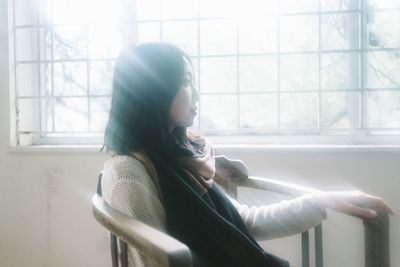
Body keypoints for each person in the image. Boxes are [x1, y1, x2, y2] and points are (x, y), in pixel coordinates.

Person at [101, 42, 394, 267]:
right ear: (154, 90)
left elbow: (246, 222)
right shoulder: (130, 170)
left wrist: (324, 199)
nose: (197, 94)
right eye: (186, 82)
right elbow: (155, 260)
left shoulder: (181, 157)